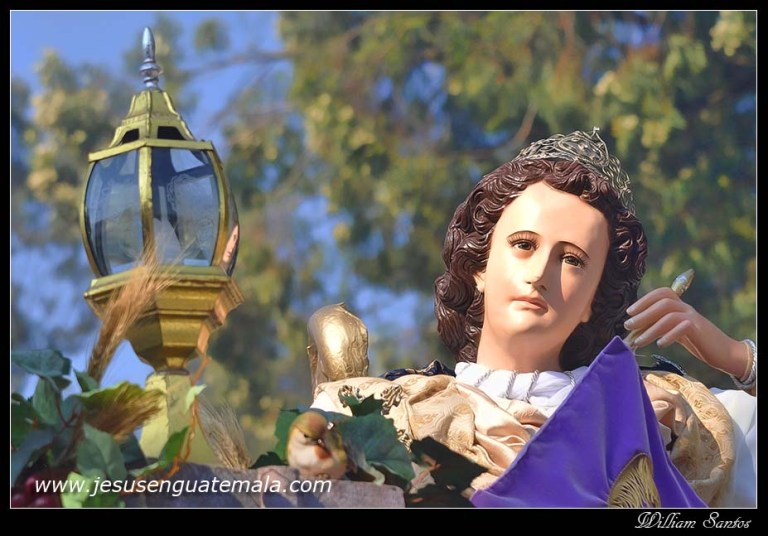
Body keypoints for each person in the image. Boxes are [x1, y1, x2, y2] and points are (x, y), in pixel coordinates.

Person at [310, 128, 756, 507]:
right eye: (524, 245)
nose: (540, 273)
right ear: (480, 266)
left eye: (572, 260)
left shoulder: (661, 415)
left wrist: (738, 359)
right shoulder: (393, 411)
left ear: (593, 300)